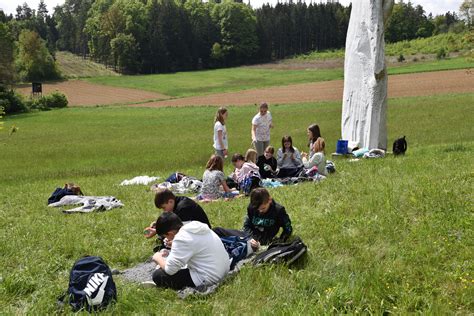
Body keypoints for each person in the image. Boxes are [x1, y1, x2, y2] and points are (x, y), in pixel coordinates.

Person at [151, 212, 230, 290]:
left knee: (158, 275)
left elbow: (170, 270)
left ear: (170, 233)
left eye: (166, 237)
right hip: (224, 269)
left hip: (210, 277)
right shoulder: (195, 226)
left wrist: (158, 258)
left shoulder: (181, 239)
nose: (167, 239)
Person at [213, 188, 293, 246]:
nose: (260, 211)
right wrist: (250, 238)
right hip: (248, 237)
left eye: (263, 208)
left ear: (269, 200)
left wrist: (280, 241)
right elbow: (247, 225)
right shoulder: (251, 208)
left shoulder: (278, 210)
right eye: (257, 209)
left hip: (264, 241)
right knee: (217, 231)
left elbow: (288, 229)